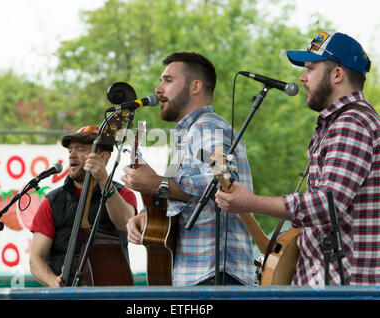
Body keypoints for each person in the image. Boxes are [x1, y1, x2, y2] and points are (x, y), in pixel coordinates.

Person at [215, 31, 380, 286]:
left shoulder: (352, 124)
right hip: (327, 279)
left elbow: (327, 204)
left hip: (345, 284)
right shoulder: (338, 123)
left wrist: (251, 202)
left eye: (311, 68)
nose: (302, 77)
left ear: (337, 74)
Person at [122, 52, 255, 286]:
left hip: (214, 274)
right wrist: (149, 217)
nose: (158, 89)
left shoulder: (207, 128)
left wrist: (154, 183)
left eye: (168, 80)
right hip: (200, 274)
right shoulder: (189, 134)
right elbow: (186, 196)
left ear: (195, 86)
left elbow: (224, 185)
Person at [29, 125, 137, 287]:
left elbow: (125, 224)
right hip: (67, 292)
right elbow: (35, 259)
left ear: (104, 157)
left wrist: (103, 180)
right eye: (70, 150)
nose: (72, 154)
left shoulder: (123, 194)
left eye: (80, 149)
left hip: (111, 290)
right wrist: (55, 283)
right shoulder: (52, 201)